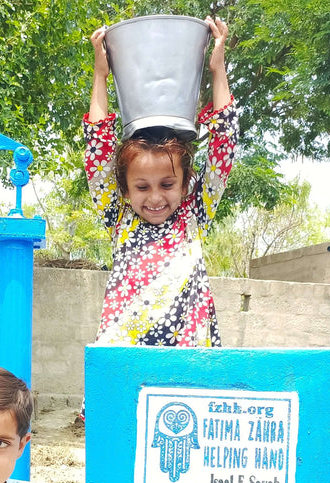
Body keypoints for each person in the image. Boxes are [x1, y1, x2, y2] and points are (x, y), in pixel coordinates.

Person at [83, 16, 237, 350]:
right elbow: (98, 148)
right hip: (124, 358)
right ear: (124, 189)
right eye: (142, 187)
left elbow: (224, 145)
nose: (155, 197)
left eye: (167, 185)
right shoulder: (119, 217)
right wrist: (100, 74)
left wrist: (217, 69)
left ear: (185, 186)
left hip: (189, 360)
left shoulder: (193, 214)